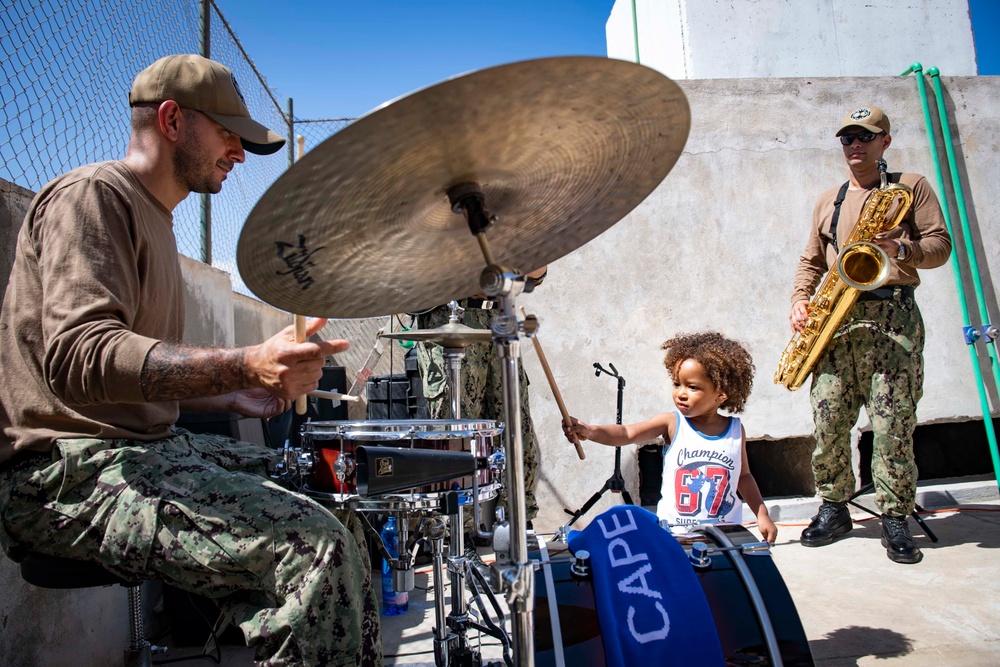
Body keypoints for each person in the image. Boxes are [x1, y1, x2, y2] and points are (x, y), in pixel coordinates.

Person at [0, 54, 381, 666]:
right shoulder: (93, 198)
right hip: (63, 475)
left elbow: (132, 373)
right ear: (173, 119)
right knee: (309, 549)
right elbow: (77, 358)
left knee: (334, 490)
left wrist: (223, 395)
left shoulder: (157, 219)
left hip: (145, 451)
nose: (238, 152)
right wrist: (240, 363)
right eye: (227, 133)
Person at [789, 105, 952, 564]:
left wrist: (900, 247)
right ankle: (834, 507)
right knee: (829, 422)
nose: (855, 145)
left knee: (892, 426)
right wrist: (800, 299)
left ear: (885, 142)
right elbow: (812, 260)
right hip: (836, 321)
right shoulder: (828, 200)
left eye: (865, 136)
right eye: (847, 138)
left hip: (892, 319)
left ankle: (895, 516)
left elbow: (940, 246)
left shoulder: (911, 187)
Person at [563, 332, 778, 543]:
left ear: (721, 395)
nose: (681, 393)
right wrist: (590, 431)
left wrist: (762, 514)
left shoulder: (735, 430)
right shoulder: (673, 423)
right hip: (675, 537)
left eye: (692, 387)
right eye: (677, 384)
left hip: (723, 538)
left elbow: (743, 477)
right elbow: (627, 433)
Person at [414, 267, 547, 528]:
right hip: (449, 316)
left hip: (498, 318)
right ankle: (457, 535)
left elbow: (535, 275)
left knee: (515, 423)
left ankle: (517, 522)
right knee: (456, 431)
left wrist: (521, 268)